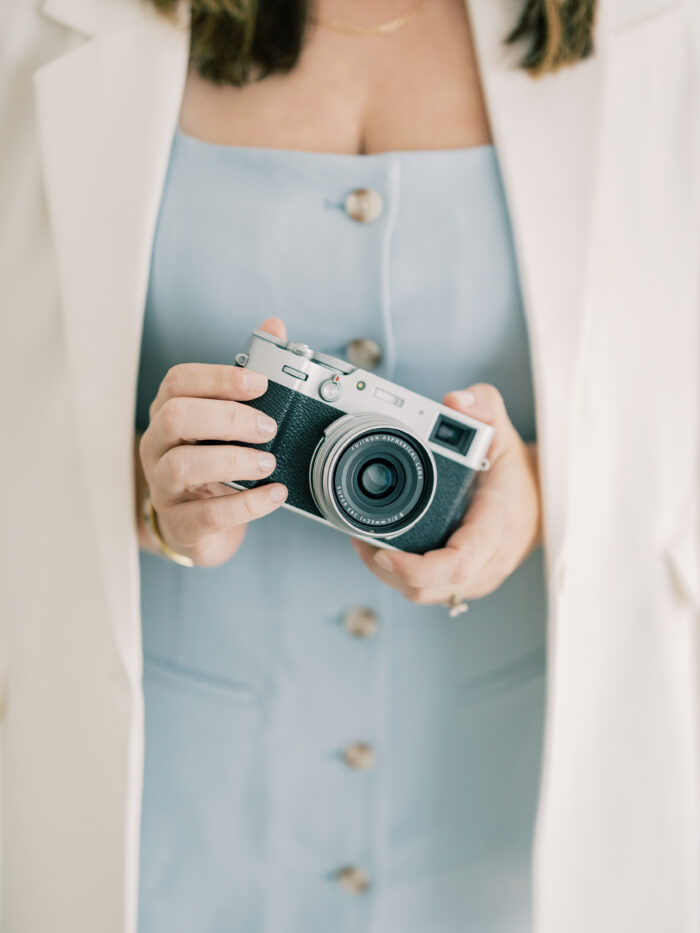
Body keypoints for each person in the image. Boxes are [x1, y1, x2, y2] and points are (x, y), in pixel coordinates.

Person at [1, 1, 698, 932]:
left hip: (526, 794)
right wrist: (146, 495)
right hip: (166, 803)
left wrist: (540, 488)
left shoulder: (667, 30)